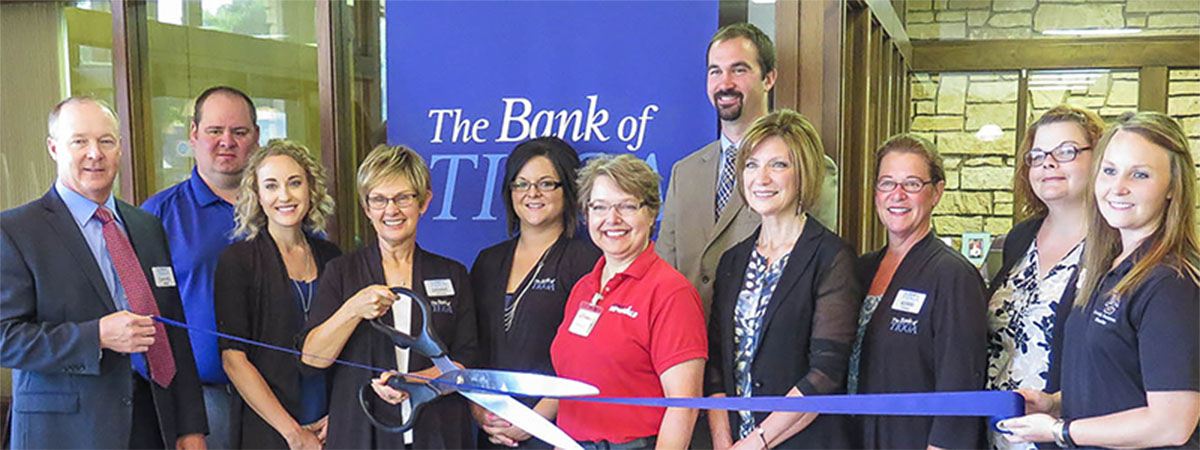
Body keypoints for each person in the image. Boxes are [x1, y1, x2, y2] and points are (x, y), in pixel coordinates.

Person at [0, 96, 207, 448]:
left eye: (106, 141)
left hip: (151, 422)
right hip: (67, 433)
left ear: (120, 148)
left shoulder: (146, 225)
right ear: (54, 148)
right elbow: (5, 338)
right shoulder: (16, 231)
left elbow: (173, 327)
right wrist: (94, 336)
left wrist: (190, 427)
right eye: (79, 141)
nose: (95, 153)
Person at [1000, 112, 1200, 448]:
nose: (1118, 187)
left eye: (1140, 174)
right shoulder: (1110, 267)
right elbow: (1116, 380)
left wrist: (1060, 431)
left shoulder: (1171, 282)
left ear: (1172, 187)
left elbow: (1172, 424)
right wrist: (1055, 403)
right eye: (1109, 171)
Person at [300, 144, 478, 448]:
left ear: (424, 202)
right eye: (379, 200)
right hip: (361, 433)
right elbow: (311, 359)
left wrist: (415, 382)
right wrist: (352, 310)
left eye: (403, 198)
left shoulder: (453, 274)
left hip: (437, 434)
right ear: (367, 208)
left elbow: (466, 363)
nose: (391, 210)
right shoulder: (341, 272)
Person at [657, 22, 840, 318]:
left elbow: (815, 270)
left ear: (769, 79)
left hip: (761, 352)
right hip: (687, 349)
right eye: (715, 71)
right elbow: (664, 268)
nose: (724, 83)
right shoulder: (684, 172)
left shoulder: (810, 166)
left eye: (739, 70)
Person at [705, 110, 861, 449]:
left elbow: (826, 374)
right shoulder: (732, 261)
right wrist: (723, 442)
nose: (761, 178)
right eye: (751, 164)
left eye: (778, 165)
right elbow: (716, 365)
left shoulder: (831, 258)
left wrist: (756, 443)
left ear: (803, 173)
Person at [544, 154, 707, 449]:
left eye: (627, 206)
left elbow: (684, 406)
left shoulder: (671, 293)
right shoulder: (583, 288)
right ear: (586, 214)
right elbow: (570, 386)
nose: (612, 219)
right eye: (600, 207)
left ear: (652, 213)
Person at [850, 134, 988, 449]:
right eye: (887, 183)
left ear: (936, 192)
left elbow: (960, 386)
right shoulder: (858, 270)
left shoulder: (953, 275)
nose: (897, 195)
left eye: (912, 184)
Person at [141, 85, 259, 449]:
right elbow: (143, 323)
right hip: (204, 407)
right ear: (193, 135)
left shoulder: (283, 210)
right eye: (215, 131)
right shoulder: (156, 217)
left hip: (281, 402)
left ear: (255, 138)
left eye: (239, 132)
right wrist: (183, 420)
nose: (227, 141)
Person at [469, 137, 601, 448]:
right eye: (521, 184)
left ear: (567, 189)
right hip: (491, 429)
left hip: (555, 430)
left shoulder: (587, 261)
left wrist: (536, 418)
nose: (532, 193)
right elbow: (469, 346)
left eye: (545, 183)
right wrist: (477, 407)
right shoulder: (488, 261)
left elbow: (590, 357)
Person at [984, 106, 1104, 450]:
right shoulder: (1017, 239)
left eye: (1066, 152)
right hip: (1000, 434)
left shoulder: (1115, 244)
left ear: (1099, 159)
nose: (1048, 164)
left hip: (1068, 436)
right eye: (1037, 156)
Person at [213, 140, 342, 449]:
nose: (284, 196)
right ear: (257, 195)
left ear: (311, 189)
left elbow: (351, 349)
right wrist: (293, 433)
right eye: (271, 186)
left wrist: (340, 414)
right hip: (270, 431)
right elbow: (234, 359)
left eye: (294, 183)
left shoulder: (332, 257)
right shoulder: (237, 261)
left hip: (332, 429)